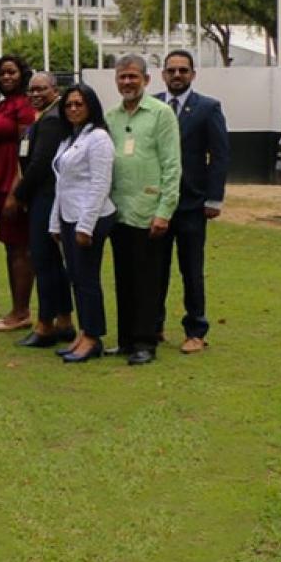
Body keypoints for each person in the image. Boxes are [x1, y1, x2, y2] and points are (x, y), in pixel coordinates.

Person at [154, 49, 229, 354]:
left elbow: (220, 155)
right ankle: (152, 325)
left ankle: (196, 330)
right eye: (171, 70)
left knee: (191, 270)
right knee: (154, 269)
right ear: (163, 74)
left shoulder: (208, 108)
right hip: (156, 205)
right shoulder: (152, 106)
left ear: (193, 74)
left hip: (192, 204)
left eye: (183, 70)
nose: (177, 75)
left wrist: (214, 198)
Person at [108, 54, 182, 366]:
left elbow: (172, 165)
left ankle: (145, 342)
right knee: (123, 278)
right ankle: (125, 339)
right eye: (122, 77)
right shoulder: (111, 117)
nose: (127, 82)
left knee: (147, 281)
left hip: (149, 211)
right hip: (118, 211)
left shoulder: (161, 114)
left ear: (146, 80)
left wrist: (164, 210)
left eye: (133, 77)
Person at [48, 84, 117, 364]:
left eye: (79, 104)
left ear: (91, 106)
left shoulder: (98, 138)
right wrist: (56, 223)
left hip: (92, 217)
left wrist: (85, 226)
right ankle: (84, 332)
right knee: (76, 277)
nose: (73, 109)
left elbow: (100, 184)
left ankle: (93, 337)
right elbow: (62, 184)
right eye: (68, 105)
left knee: (87, 280)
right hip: (69, 215)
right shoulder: (70, 138)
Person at [11, 71, 75, 349]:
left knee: (44, 262)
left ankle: (45, 325)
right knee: (51, 262)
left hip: (46, 198)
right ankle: (64, 321)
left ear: (55, 90)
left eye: (41, 89)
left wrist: (18, 195)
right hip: (43, 198)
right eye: (31, 90)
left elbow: (39, 165)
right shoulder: (44, 118)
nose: (35, 94)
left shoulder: (51, 121)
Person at [0, 55, 37, 332]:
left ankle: (21, 311)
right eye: (2, 73)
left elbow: (25, 152)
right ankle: (17, 308)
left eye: (12, 72)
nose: (6, 77)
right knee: (11, 247)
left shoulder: (24, 107)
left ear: (22, 75)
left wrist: (15, 193)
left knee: (20, 249)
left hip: (12, 185)